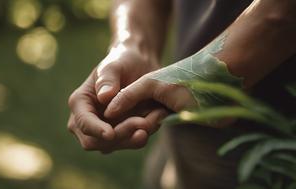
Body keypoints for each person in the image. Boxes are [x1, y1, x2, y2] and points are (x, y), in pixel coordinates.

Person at [68, 0, 296, 188]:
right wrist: (133, 43)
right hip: (179, 127)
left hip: (272, 150)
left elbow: (279, 17)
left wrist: (213, 73)